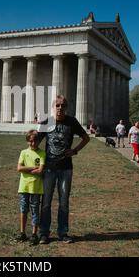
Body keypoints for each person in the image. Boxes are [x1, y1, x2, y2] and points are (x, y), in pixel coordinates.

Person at [37, 95, 90, 244]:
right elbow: (36, 142)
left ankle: (63, 233)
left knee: (64, 202)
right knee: (46, 202)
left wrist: (75, 150)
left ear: (66, 108)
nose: (60, 108)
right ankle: (44, 233)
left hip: (66, 169)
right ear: (53, 107)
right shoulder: (47, 122)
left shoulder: (72, 121)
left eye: (63, 106)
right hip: (48, 168)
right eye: (58, 105)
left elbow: (86, 138)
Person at [16, 130, 46, 246]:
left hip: (36, 187)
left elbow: (41, 170)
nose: (33, 143)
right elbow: (19, 168)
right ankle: (22, 232)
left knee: (35, 210)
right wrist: (33, 168)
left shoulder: (42, 153)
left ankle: (34, 234)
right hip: (24, 187)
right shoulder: (23, 152)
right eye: (31, 141)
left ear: (39, 141)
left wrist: (26, 168)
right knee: (23, 209)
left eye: (35, 141)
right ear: (28, 141)